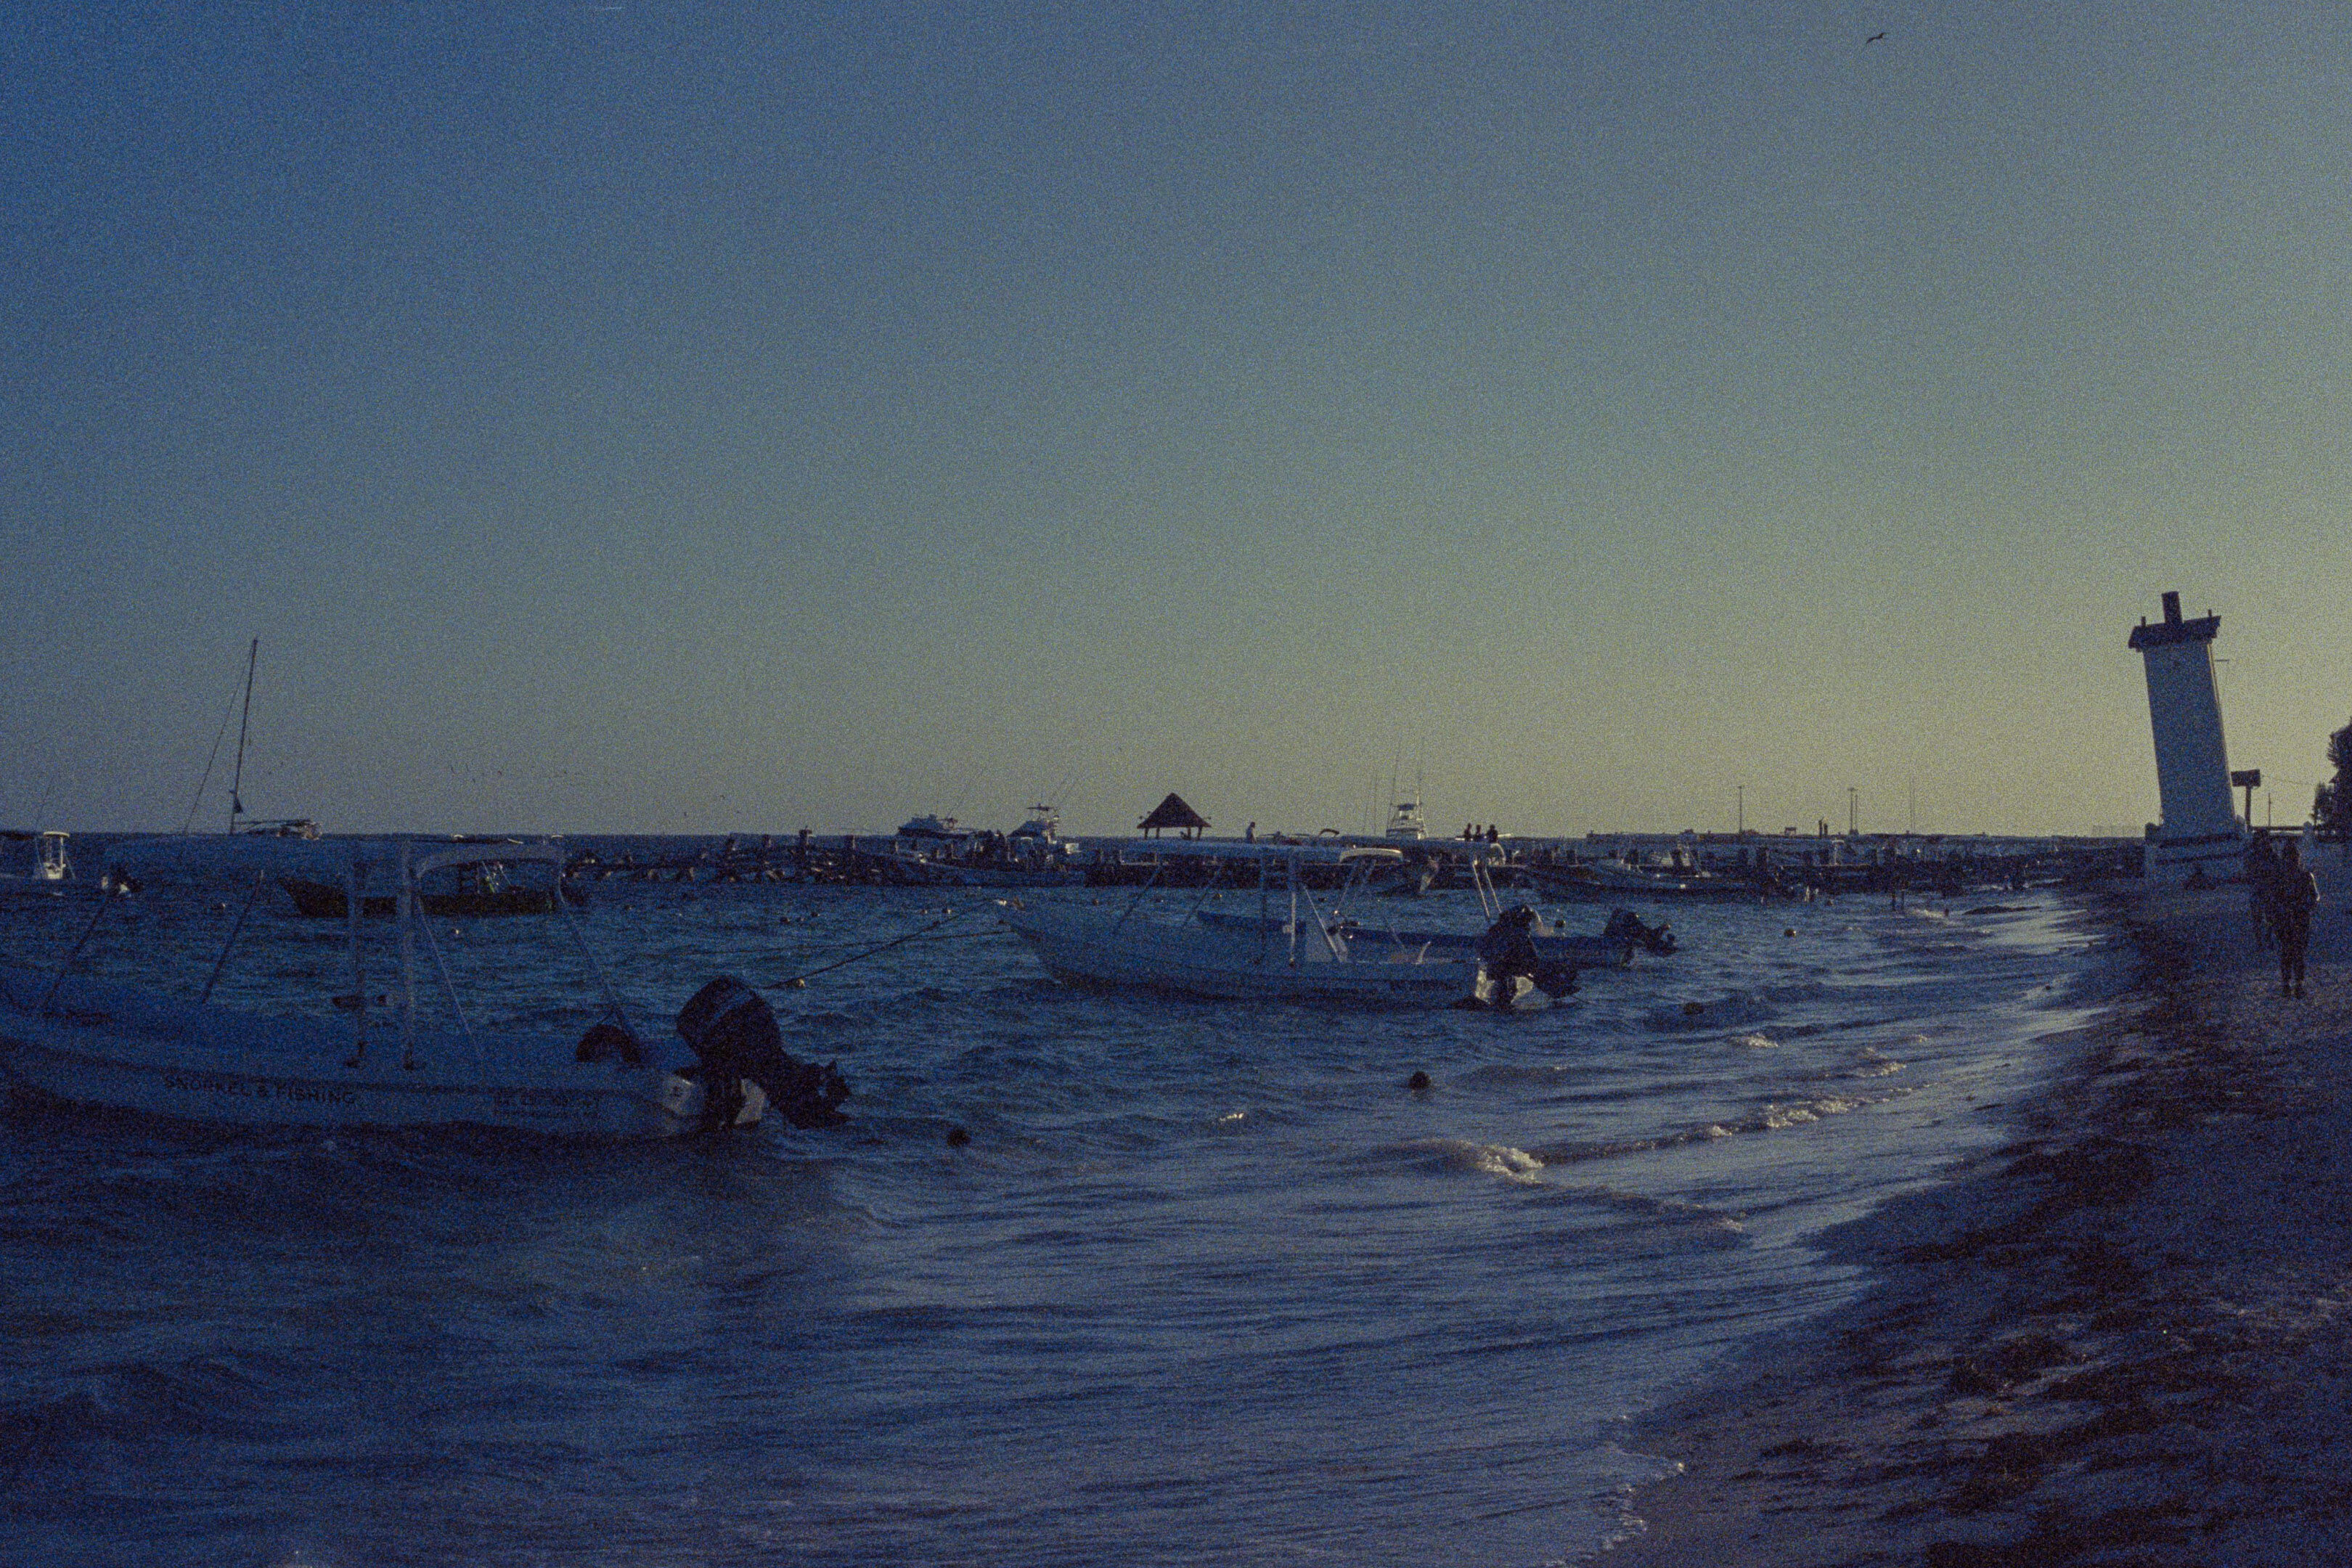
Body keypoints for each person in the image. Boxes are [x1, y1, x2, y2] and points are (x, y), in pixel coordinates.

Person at [2275, 842, 2318, 998]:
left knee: (2295, 952)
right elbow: (2273, 899)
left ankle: (2295, 983)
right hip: (2288, 919)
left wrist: (2302, 907)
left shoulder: (2304, 877)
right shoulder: (2281, 879)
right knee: (2290, 952)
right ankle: (2289, 983)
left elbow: (2314, 897)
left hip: (2298, 919)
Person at [2245, 834, 2278, 952]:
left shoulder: (2272, 856)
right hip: (2258, 890)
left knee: (2270, 917)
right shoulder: (2254, 857)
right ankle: (2260, 941)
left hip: (2268, 891)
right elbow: (2249, 872)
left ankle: (2267, 939)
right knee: (2258, 918)